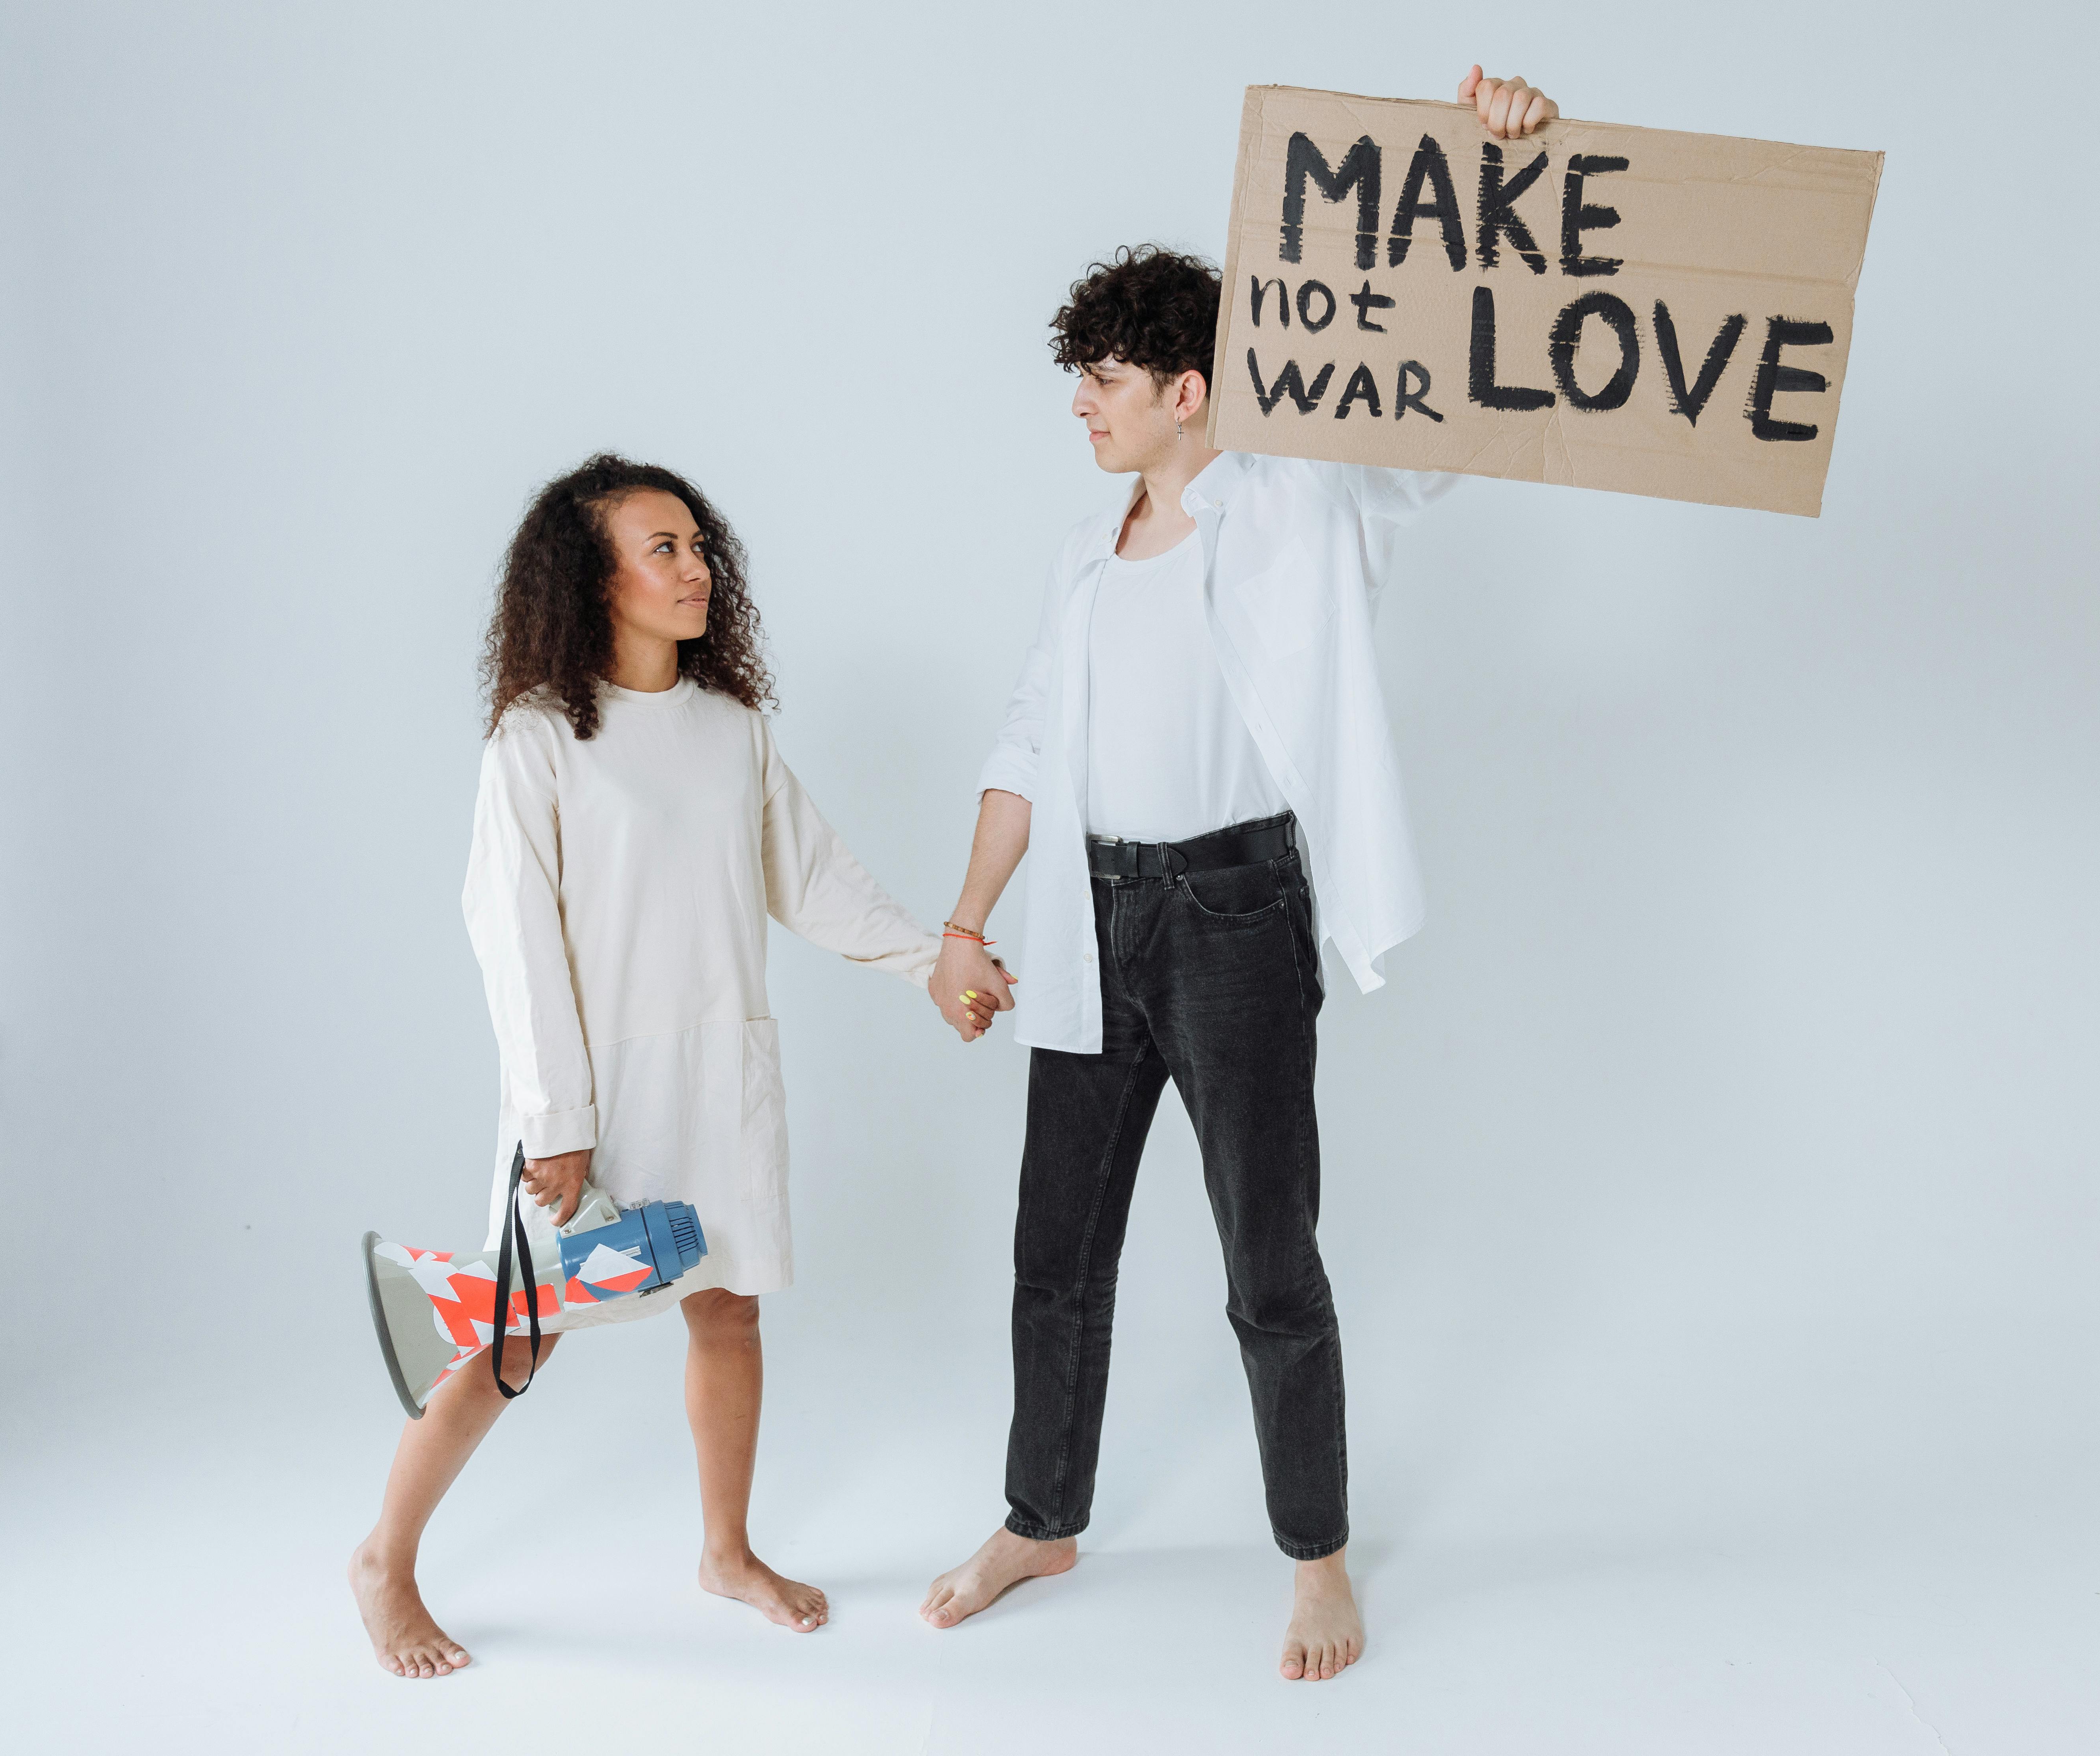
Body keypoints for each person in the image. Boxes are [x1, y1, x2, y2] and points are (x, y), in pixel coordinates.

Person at [915, 68, 1559, 1682]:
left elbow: (1445, 416)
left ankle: (1316, 1556)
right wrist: (970, 917)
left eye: (1108, 381)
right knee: (1053, 1245)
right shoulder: (1082, 561)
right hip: (1091, 920)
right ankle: (1039, 1513)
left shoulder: (1301, 500)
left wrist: (1497, 174)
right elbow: (1023, 749)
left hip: (1236, 918)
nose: (1084, 407)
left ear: (1193, 389)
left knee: (1268, 1255)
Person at [350, 454, 942, 1678]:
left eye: (698, 544)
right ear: (592, 579)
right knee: (517, 1338)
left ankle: (727, 1553)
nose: (696, 567)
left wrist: (933, 962)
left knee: (728, 1313)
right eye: (662, 548)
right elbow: (509, 936)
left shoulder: (734, 732)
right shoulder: (537, 741)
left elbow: (817, 881)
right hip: (586, 1100)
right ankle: (384, 1562)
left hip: (718, 1081)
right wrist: (557, 1117)